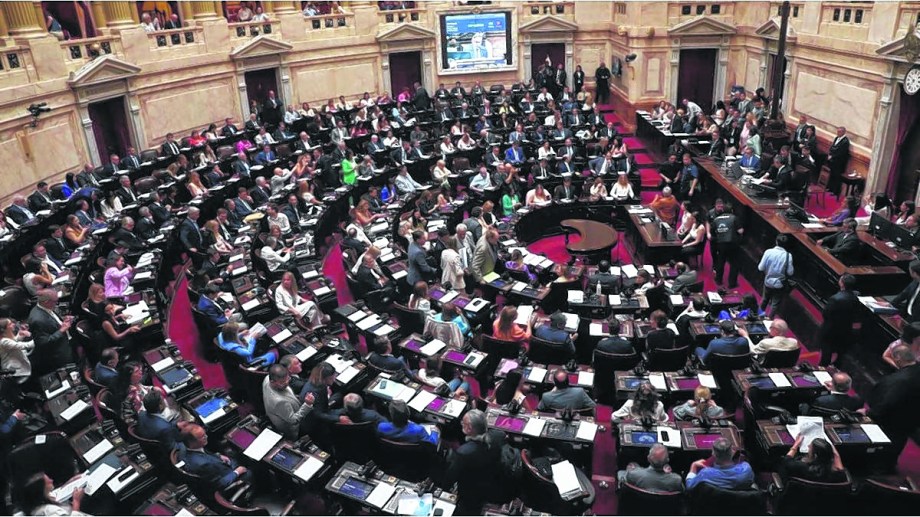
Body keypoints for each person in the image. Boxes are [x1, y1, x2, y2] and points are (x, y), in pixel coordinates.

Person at [442, 409, 506, 515]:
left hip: (471, 494)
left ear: (469, 428)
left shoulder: (463, 452)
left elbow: (450, 477)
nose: (461, 424)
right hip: (494, 484)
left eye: (463, 423)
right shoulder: (498, 436)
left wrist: (444, 488)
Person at [868, 345, 920, 468]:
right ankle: (890, 463)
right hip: (913, 419)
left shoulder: (898, 380)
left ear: (897, 359)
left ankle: (881, 466)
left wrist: (871, 413)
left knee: (887, 443)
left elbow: (887, 402)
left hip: (894, 420)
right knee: (900, 440)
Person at [178, 424, 252, 491]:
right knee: (252, 468)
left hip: (219, 466)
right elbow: (219, 484)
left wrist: (218, 456)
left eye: (205, 434)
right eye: (202, 437)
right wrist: (237, 472)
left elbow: (204, 453)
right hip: (228, 477)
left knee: (234, 453)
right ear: (192, 442)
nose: (206, 436)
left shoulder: (186, 446)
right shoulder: (202, 464)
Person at [27, 289, 73, 376]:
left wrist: (62, 321)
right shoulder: (38, 320)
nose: (57, 303)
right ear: (46, 302)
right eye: (55, 301)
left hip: (65, 342)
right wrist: (61, 330)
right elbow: (43, 342)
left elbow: (52, 322)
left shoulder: (45, 308)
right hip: (58, 353)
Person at [817, 273, 860, 367]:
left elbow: (826, 313)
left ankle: (823, 366)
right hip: (845, 328)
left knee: (826, 348)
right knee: (840, 348)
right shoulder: (855, 298)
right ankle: (837, 365)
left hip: (831, 328)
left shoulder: (835, 298)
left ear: (842, 283)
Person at [263, 363, 314, 439]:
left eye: (288, 379)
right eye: (282, 382)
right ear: (272, 381)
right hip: (294, 429)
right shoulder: (279, 402)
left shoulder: (267, 378)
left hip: (290, 408)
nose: (287, 383)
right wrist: (307, 405)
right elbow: (293, 420)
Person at [685, 438, 754, 491]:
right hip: (738, 503)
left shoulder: (705, 473)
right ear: (732, 452)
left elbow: (689, 486)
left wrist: (693, 466)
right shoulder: (746, 468)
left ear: (713, 453)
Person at [618, 443, 684, 493]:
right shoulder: (676, 480)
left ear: (648, 458)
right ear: (667, 460)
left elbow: (623, 481)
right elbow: (682, 491)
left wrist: (634, 469)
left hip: (638, 505)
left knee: (620, 472)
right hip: (665, 506)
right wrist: (670, 474)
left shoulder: (633, 474)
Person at [779, 436, 847, 483]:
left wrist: (795, 445)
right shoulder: (838, 475)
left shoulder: (801, 467)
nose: (808, 446)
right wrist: (833, 451)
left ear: (815, 456)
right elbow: (839, 464)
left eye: (810, 447)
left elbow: (786, 461)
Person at [136, 389, 185, 455]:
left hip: (149, 443)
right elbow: (173, 448)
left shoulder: (141, 415)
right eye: (163, 400)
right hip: (163, 452)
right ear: (160, 406)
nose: (165, 401)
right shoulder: (165, 428)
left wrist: (174, 425)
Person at [18, 472, 87, 516]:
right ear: (41, 490)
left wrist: (71, 481)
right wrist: (76, 501)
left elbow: (57, 492)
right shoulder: (51, 511)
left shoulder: (38, 501)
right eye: (48, 482)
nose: (52, 480)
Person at [709, 202, 743, 288]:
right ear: (732, 211)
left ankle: (718, 280)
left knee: (720, 262)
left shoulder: (716, 219)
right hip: (733, 244)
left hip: (721, 244)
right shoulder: (734, 218)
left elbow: (712, 232)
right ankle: (732, 283)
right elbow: (740, 231)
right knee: (734, 263)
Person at [758, 234, 794, 316]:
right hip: (779, 284)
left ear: (776, 241)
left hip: (768, 281)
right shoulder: (788, 256)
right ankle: (769, 320)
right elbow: (790, 272)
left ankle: (758, 316)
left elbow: (760, 268)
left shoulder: (768, 252)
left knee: (764, 299)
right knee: (775, 304)